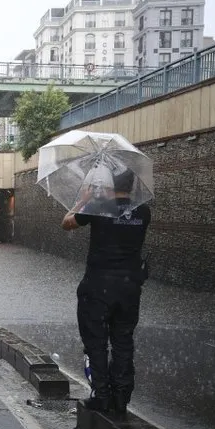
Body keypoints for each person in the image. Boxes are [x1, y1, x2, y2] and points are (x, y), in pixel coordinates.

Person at [61, 168, 151, 414]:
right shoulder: (143, 211)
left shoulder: (99, 207)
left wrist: (85, 198)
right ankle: (121, 398)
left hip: (98, 287)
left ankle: (101, 395)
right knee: (123, 341)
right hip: (129, 287)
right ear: (132, 186)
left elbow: (67, 223)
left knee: (96, 343)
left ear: (110, 184)